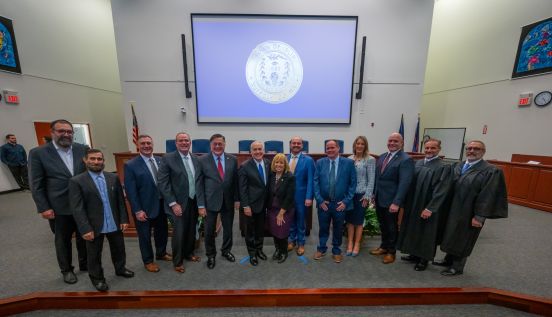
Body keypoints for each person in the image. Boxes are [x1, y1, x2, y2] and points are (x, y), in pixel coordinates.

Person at [433, 140, 508, 276]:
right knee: (451, 233)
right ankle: (448, 259)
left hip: (470, 211)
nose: (472, 151)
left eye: (476, 149)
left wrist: (479, 216)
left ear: (483, 152)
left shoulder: (491, 171)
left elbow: (488, 195)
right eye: (469, 148)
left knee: (464, 237)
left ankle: (457, 266)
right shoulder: (458, 165)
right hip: (453, 208)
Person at [28, 119, 88, 284]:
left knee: (85, 235)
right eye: (61, 131)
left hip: (82, 203)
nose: (66, 135)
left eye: (69, 132)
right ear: (52, 132)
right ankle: (67, 270)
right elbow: (36, 184)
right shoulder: (38, 153)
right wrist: (43, 207)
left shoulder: (82, 149)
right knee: (63, 240)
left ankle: (85, 263)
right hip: (58, 205)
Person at [69, 149, 134, 292]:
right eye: (92, 159)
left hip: (114, 222)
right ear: (85, 160)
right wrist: (85, 228)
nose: (96, 162)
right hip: (93, 225)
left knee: (119, 248)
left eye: (99, 159)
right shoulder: (77, 181)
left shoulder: (113, 177)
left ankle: (120, 268)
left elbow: (120, 201)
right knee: (94, 254)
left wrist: (124, 219)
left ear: (103, 161)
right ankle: (97, 279)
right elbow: (77, 208)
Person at [396, 139, 451, 271]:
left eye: (433, 148)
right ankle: (413, 254)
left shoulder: (443, 167)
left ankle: (424, 259)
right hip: (414, 203)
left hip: (427, 205)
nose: (429, 150)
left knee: (427, 232)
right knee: (413, 228)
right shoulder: (418, 163)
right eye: (427, 148)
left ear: (439, 149)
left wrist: (430, 208)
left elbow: (442, 190)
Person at [124, 135, 171, 273]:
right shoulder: (131, 165)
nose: (146, 146)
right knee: (144, 236)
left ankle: (161, 253)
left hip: (161, 205)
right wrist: (137, 210)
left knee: (162, 232)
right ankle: (148, 261)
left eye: (149, 143)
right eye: (143, 143)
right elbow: (130, 190)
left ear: (153, 144)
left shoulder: (160, 160)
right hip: (143, 208)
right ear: (138, 146)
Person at [157, 132, 201, 273]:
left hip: (193, 200)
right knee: (179, 233)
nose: (184, 143)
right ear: (176, 143)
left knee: (190, 230)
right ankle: (178, 261)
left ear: (190, 143)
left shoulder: (195, 158)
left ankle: (189, 253)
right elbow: (163, 183)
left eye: (186, 140)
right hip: (177, 203)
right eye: (181, 140)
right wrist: (173, 203)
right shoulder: (168, 158)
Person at [196, 133, 239, 269]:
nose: (218, 146)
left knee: (228, 229)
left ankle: (226, 251)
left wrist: (237, 199)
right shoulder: (202, 160)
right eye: (215, 144)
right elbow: (199, 184)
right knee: (209, 231)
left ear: (224, 144)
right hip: (210, 202)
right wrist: (201, 205)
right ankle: (211, 255)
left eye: (220, 143)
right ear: (211, 145)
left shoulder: (232, 159)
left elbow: (235, 182)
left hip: (228, 201)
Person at [371, 132, 414, 264]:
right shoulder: (383, 156)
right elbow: (378, 178)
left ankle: (391, 252)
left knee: (391, 227)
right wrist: (374, 194)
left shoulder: (405, 159)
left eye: (395, 141)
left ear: (401, 143)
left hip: (392, 201)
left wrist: (397, 202)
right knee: (382, 224)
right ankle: (384, 246)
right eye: (390, 141)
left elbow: (404, 183)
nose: (392, 143)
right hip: (379, 198)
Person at [313, 140, 356, 263]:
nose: (330, 150)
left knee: (338, 228)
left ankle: (336, 250)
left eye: (332, 147)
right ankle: (321, 248)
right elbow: (315, 182)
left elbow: (352, 184)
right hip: (324, 203)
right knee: (323, 227)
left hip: (340, 204)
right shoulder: (320, 162)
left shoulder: (348, 163)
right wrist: (320, 200)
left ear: (338, 149)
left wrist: (346, 201)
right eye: (328, 148)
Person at [238, 141, 271, 266]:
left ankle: (259, 250)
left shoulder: (268, 163)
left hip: (263, 204)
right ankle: (252, 254)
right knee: (250, 231)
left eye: (260, 149)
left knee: (260, 229)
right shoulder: (244, 166)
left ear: (263, 150)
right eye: (255, 149)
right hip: (250, 206)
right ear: (250, 152)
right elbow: (242, 189)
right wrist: (245, 206)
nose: (258, 152)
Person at [346, 136, 375, 257]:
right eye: (357, 143)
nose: (359, 146)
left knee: (358, 221)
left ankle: (357, 244)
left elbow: (371, 179)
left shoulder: (370, 159)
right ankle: (350, 243)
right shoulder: (349, 159)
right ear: (354, 145)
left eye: (362, 144)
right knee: (349, 221)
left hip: (362, 195)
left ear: (365, 146)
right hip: (349, 195)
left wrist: (367, 196)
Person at [286, 136, 315, 256]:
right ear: (290, 145)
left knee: (301, 220)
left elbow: (310, 180)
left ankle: (301, 243)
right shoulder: (284, 158)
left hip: (301, 196)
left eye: (299, 143)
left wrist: (309, 197)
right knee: (290, 218)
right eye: (294, 143)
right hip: (287, 197)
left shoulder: (308, 160)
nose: (296, 145)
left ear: (302, 146)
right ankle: (291, 240)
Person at [267, 153, 295, 263]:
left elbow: (289, 197)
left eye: (281, 162)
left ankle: (284, 252)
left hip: (285, 209)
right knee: (274, 230)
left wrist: (281, 213)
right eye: (277, 162)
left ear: (285, 164)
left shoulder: (290, 176)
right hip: (272, 209)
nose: (279, 164)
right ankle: (277, 249)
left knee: (282, 231)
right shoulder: (271, 175)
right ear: (274, 163)